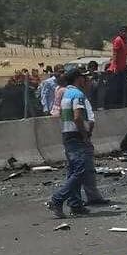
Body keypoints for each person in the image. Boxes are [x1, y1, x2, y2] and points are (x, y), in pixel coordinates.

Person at [45, 69, 92, 218]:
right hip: (76, 135)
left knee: (73, 171)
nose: (85, 80)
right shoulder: (77, 94)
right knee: (81, 171)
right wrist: (85, 136)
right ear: (78, 79)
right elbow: (78, 117)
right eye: (83, 78)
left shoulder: (65, 94)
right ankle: (57, 199)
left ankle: (76, 204)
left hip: (67, 134)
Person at [108, 25, 127, 107]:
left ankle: (122, 104)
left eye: (126, 32)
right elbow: (115, 54)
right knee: (115, 88)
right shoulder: (118, 40)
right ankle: (113, 104)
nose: (124, 33)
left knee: (123, 87)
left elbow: (125, 54)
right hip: (116, 68)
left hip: (123, 67)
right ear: (120, 32)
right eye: (122, 31)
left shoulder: (126, 41)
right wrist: (115, 66)